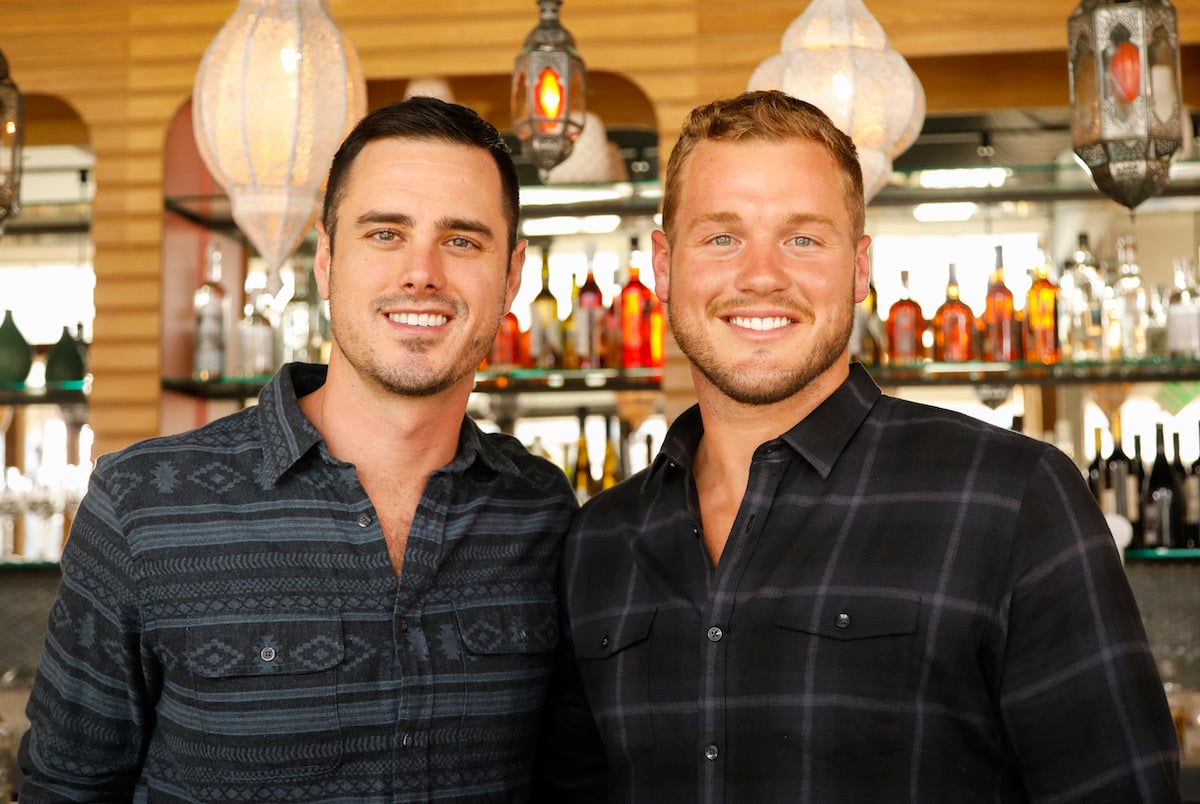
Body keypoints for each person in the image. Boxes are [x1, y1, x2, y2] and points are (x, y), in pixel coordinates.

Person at [535, 90, 1180, 802]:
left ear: (860, 268)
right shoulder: (600, 541)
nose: (760, 275)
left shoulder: (1014, 499)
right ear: (663, 266)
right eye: (721, 237)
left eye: (803, 238)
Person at [19, 97, 577, 802]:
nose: (421, 272)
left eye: (462, 240)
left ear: (513, 275)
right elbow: (64, 790)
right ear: (326, 258)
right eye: (384, 233)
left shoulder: (542, 510)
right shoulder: (143, 505)